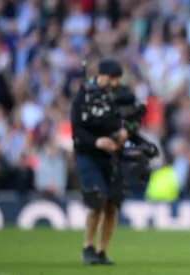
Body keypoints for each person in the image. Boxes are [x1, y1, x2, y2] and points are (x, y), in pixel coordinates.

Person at [71, 57, 128, 265]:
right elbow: (76, 130)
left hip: (112, 154)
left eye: (117, 79)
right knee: (97, 198)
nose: (114, 83)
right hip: (88, 153)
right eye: (111, 78)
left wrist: (125, 132)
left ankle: (102, 250)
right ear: (100, 75)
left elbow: (131, 119)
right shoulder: (83, 95)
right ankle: (88, 247)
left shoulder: (120, 94)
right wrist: (97, 141)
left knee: (112, 204)